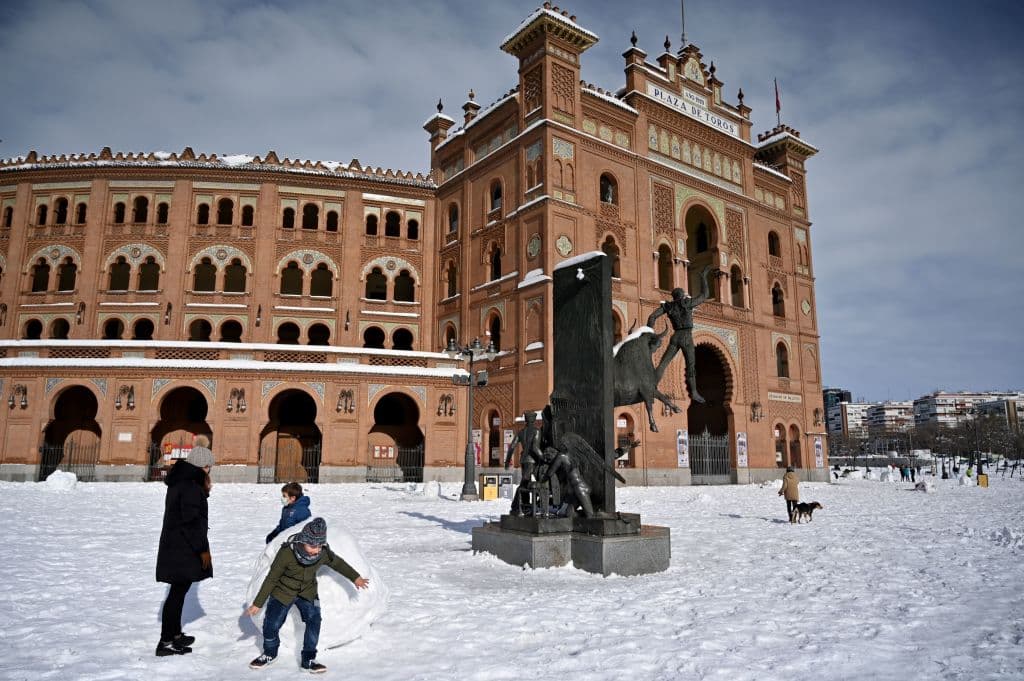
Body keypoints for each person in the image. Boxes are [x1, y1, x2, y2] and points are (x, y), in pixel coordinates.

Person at [246, 518, 369, 673]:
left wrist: (355, 577)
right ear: (303, 541)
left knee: (314, 620)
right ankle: (270, 653)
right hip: (283, 591)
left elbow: (338, 563)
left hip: (307, 592)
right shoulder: (286, 553)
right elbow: (272, 578)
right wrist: (258, 603)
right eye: (312, 545)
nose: (316, 550)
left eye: (319, 545)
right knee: (271, 623)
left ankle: (308, 659)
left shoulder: (323, 553)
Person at [155, 439, 215, 657]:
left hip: (177, 546)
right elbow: (190, 521)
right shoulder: (189, 485)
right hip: (184, 548)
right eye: (209, 466)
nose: (210, 470)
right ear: (202, 466)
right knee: (176, 595)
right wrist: (202, 550)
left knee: (178, 593)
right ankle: (166, 641)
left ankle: (175, 634)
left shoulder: (182, 481)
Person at [646, 265, 715, 403]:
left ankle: (652, 385)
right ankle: (694, 392)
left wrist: (649, 334)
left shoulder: (669, 306)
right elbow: (704, 295)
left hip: (675, 337)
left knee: (663, 363)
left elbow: (652, 317)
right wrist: (703, 277)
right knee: (690, 366)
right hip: (687, 337)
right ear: (682, 295)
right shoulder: (687, 303)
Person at [504, 411, 545, 516]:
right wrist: (543, 458)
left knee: (527, 483)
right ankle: (516, 506)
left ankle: (525, 505)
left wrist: (507, 461)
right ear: (533, 420)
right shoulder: (536, 431)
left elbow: (512, 446)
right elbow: (535, 448)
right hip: (532, 460)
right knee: (525, 483)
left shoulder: (521, 432)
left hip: (523, 460)